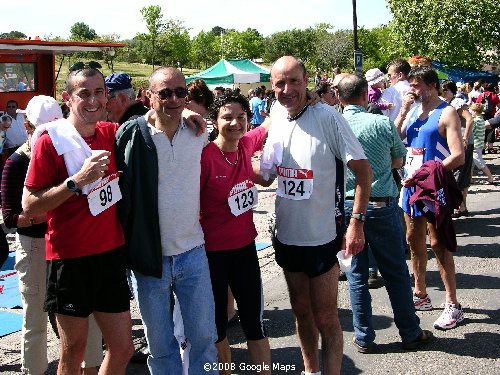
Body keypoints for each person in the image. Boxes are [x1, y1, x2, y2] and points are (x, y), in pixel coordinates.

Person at [262, 56, 372, 375]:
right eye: (280, 83)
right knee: (301, 312)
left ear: (306, 80)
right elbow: (268, 174)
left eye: (294, 81)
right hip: (286, 235)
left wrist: (356, 223)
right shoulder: (276, 115)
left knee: (326, 317)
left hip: (323, 236)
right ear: (272, 86)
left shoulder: (328, 118)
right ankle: (311, 370)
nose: (287, 89)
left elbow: (363, 172)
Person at [22, 62, 134, 374]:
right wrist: (77, 182)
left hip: (110, 254)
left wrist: (192, 115)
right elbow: (30, 205)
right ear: (67, 98)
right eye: (84, 93)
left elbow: (152, 122)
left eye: (99, 92)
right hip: (70, 259)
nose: (93, 100)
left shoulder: (111, 133)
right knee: (74, 352)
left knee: (123, 348)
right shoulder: (50, 141)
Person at [115, 66, 217, 375]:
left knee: (203, 338)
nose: (174, 99)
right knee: (160, 345)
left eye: (180, 92)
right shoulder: (132, 134)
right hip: (149, 260)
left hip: (192, 253)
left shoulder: (198, 132)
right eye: (165, 93)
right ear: (149, 96)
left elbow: (233, 136)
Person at [2, 95, 104, 375]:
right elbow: (11, 217)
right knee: (35, 318)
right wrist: (53, 207)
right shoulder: (17, 162)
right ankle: (34, 370)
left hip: (67, 245)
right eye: (39, 128)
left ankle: (90, 367)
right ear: (27, 126)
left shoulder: (65, 148)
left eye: (51, 127)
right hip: (38, 245)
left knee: (86, 314)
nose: (46, 134)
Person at [338, 74, 435, 353]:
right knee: (395, 272)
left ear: (341, 97)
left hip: (347, 206)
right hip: (381, 203)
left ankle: (364, 337)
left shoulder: (335, 124)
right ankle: (410, 331)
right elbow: (398, 158)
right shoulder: (380, 122)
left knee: (356, 275)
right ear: (363, 95)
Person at [200, 93, 272, 374]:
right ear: (215, 122)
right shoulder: (204, 157)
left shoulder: (245, 145)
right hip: (212, 254)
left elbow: (271, 122)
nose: (234, 123)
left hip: (245, 250)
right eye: (227, 117)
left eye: (240, 117)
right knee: (218, 326)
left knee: (255, 323)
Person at [395, 66, 465, 330]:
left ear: (432, 85)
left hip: (434, 187)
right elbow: (396, 136)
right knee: (413, 240)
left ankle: (453, 304)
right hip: (410, 186)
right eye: (411, 85)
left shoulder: (446, 112)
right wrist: (402, 110)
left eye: (417, 85)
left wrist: (428, 173)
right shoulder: (414, 110)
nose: (413, 90)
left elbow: (458, 155)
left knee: (439, 244)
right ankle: (420, 293)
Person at [441, 80, 474, 218]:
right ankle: (462, 206)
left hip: (463, 143)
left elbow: (470, 119)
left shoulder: (457, 102)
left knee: (460, 174)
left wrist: (465, 138)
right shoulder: (445, 104)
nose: (443, 92)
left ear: (452, 91)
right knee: (458, 174)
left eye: (446, 89)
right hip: (453, 143)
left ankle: (460, 206)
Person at [470, 103, 496, 184]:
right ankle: (469, 179)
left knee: (479, 161)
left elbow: (471, 132)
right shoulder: (481, 119)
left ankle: (490, 177)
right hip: (480, 144)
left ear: (474, 111)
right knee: (471, 163)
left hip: (475, 144)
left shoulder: (475, 121)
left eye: (471, 110)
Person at [475, 83, 500, 152]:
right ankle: (490, 147)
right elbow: (499, 106)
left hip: (482, 115)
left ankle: (482, 147)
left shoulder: (481, 95)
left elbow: (477, 105)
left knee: (483, 131)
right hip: (491, 115)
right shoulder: (494, 96)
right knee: (491, 131)